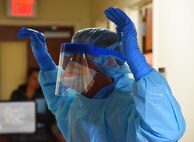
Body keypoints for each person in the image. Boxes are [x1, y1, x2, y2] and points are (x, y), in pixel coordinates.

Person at [17, 7, 185, 142]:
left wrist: (140, 66)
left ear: (108, 63)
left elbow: (165, 133)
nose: (69, 69)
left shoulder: (128, 105)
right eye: (69, 60)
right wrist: (45, 63)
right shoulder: (77, 104)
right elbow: (58, 102)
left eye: (79, 61)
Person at [10, 68, 59, 142]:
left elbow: (49, 118)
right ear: (27, 78)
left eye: (39, 79)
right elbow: (11, 115)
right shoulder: (16, 94)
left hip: (39, 134)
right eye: (34, 78)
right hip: (20, 133)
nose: (37, 82)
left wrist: (30, 115)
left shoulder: (44, 96)